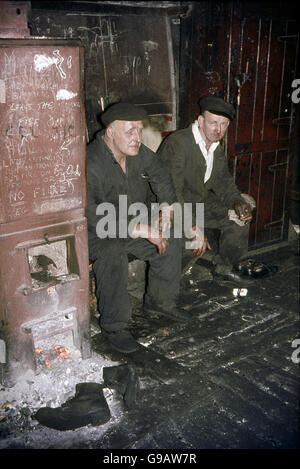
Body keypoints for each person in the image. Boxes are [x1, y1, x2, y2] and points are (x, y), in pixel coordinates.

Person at [86, 102, 187, 354]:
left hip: (133, 222)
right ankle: (114, 327)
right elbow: (93, 216)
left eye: (140, 130)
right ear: (110, 132)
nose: (137, 138)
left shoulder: (137, 152)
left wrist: (166, 206)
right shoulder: (91, 162)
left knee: (172, 233)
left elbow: (160, 171)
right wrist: (141, 228)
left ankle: (159, 303)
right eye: (130, 131)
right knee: (112, 253)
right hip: (97, 231)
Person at [158, 96, 255, 283]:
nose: (218, 130)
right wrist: (193, 227)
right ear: (201, 121)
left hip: (198, 205)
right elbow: (171, 193)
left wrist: (238, 203)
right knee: (185, 239)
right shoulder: (179, 143)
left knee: (238, 219)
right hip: (169, 208)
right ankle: (168, 286)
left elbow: (224, 183)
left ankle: (223, 268)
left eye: (224, 124)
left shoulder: (215, 147)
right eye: (213, 123)